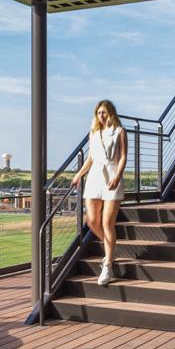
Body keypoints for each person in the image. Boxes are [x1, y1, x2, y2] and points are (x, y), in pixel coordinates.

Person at [70, 100, 127, 286]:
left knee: (107, 222)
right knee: (92, 221)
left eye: (104, 112)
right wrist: (79, 174)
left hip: (112, 176)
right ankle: (111, 248)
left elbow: (123, 157)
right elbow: (90, 159)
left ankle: (108, 264)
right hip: (95, 177)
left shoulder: (120, 131)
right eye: (98, 113)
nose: (101, 116)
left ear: (111, 113)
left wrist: (117, 176)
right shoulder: (93, 132)